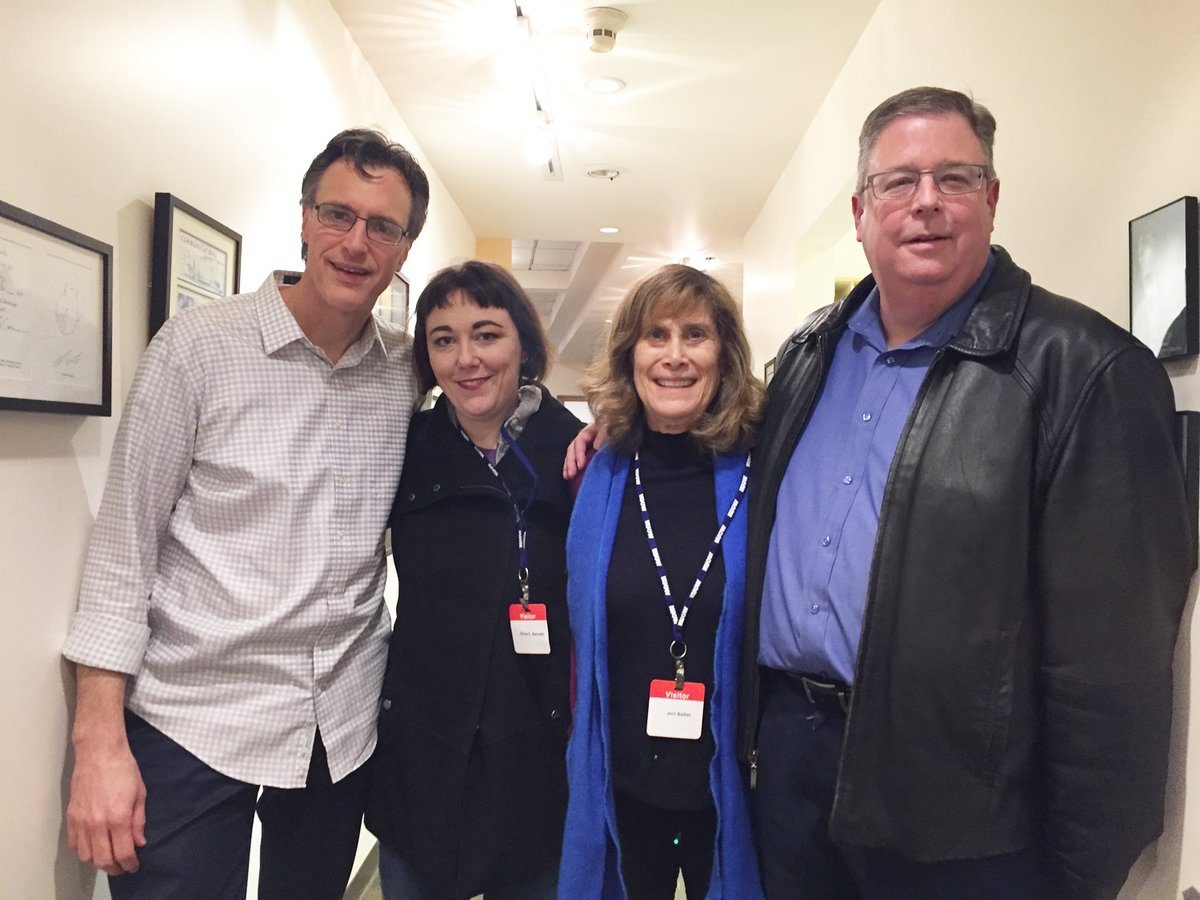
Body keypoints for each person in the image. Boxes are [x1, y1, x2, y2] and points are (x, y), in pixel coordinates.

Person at [737, 86, 1193, 900]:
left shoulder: (1083, 370)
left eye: (954, 178)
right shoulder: (808, 353)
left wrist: (1076, 873)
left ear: (991, 198)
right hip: (792, 767)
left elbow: (1113, 669)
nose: (926, 204)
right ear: (859, 209)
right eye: (898, 182)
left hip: (966, 821)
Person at [62, 128, 430, 899]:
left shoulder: (405, 375)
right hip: (194, 720)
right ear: (303, 218)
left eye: (383, 226)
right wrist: (98, 742)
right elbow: (123, 549)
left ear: (404, 250)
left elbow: (496, 399)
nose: (356, 242)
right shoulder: (197, 349)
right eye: (338, 213)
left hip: (339, 728)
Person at [365, 260, 582, 899]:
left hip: (539, 755)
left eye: (486, 334)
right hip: (424, 754)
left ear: (523, 343)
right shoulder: (406, 448)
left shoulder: (581, 453)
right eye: (443, 339)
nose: (467, 358)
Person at [558, 264, 765, 899]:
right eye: (656, 335)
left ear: (724, 354)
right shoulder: (595, 475)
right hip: (623, 788)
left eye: (695, 335)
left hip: (735, 795)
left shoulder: (768, 471)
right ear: (631, 355)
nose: (675, 356)